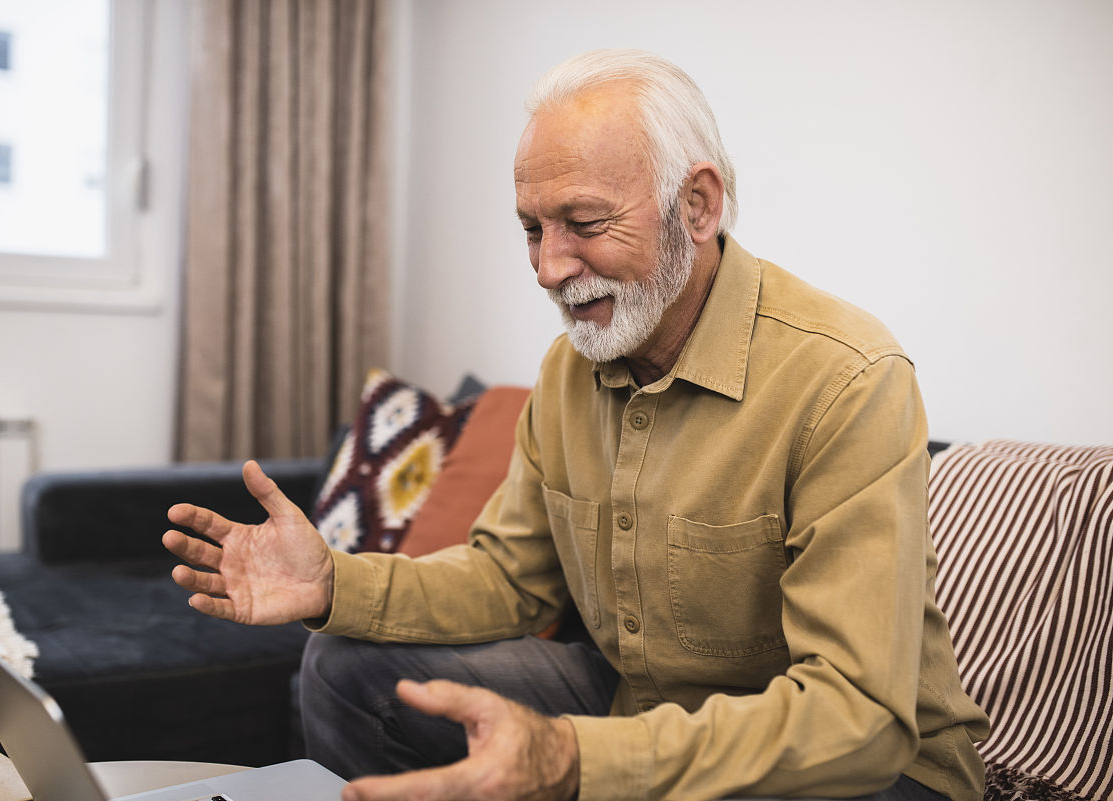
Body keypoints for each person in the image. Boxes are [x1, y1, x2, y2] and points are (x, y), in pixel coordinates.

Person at [164, 49, 990, 801]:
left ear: (697, 205)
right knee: (345, 666)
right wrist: (333, 584)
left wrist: (577, 758)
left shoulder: (846, 378)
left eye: (585, 224)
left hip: (862, 770)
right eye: (532, 229)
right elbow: (508, 579)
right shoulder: (569, 372)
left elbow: (858, 717)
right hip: (640, 710)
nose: (549, 267)